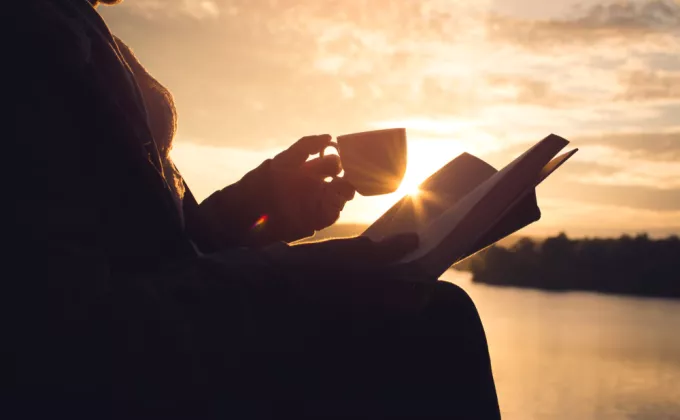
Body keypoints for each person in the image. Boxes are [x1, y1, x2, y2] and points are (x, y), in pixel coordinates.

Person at [11, 0, 501, 418]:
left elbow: (165, 245)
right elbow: (65, 328)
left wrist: (265, 202)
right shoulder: (30, 33)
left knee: (428, 316)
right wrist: (300, 274)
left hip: (169, 338)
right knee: (434, 323)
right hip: (133, 371)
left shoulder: (76, 23)